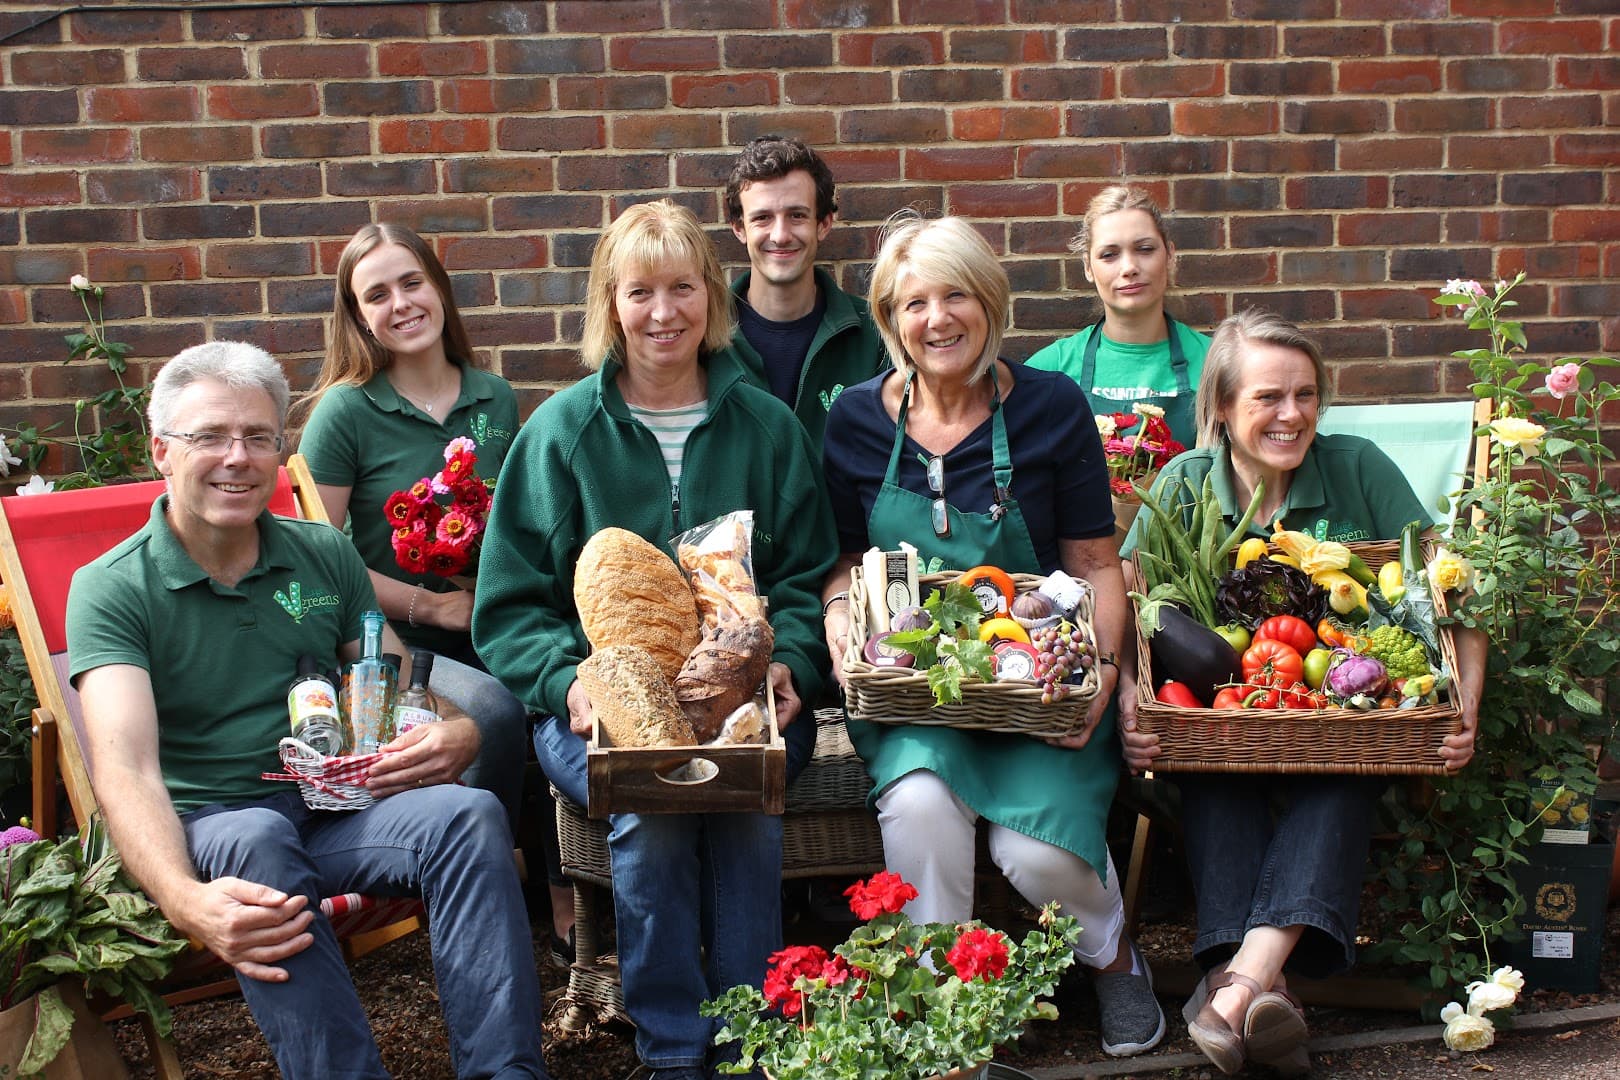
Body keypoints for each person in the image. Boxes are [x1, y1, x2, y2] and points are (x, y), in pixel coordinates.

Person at [66, 341, 546, 1080]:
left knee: (469, 816)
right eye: (211, 437)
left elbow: (392, 684)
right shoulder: (111, 588)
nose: (239, 457)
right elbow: (125, 767)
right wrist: (185, 900)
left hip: (337, 806)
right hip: (218, 824)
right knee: (259, 836)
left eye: (259, 437)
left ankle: (506, 1073)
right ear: (161, 451)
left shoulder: (324, 553)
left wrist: (457, 727)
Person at [472, 200, 836, 1080]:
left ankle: (750, 1043)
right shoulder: (559, 435)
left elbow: (807, 576)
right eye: (640, 292)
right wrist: (568, 685)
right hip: (596, 704)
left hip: (748, 694)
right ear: (610, 303)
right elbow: (509, 608)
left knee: (746, 805)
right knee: (656, 809)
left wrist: (787, 664)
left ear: (712, 298)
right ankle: (675, 1048)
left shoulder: (766, 428)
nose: (663, 312)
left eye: (682, 288)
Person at [819, 212, 1166, 1058]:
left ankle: (1116, 959)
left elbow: (1094, 562)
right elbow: (841, 564)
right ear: (889, 319)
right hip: (916, 694)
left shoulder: (1051, 407)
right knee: (921, 812)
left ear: (991, 303)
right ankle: (948, 1021)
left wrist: (1106, 671)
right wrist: (838, 620)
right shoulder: (857, 421)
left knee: (1037, 852)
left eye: (956, 296)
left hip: (1039, 682)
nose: (936, 320)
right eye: (913, 304)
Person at [1117, 309, 1486, 1076]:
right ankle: (1269, 994)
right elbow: (1126, 600)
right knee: (1219, 767)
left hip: (1341, 721)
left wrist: (1465, 709)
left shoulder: (1359, 467)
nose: (1292, 415)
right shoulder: (1184, 484)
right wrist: (1129, 699)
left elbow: (1459, 599)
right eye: (1267, 398)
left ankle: (1236, 986)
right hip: (1220, 725)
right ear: (1221, 408)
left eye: (1306, 395)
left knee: (1344, 765)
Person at [296, 223, 574, 957]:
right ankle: (480, 904)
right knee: (489, 707)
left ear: (439, 289)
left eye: (411, 283)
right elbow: (320, 559)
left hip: (490, 622)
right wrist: (433, 605)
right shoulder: (344, 413)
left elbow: (514, 528)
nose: (400, 304)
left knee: (559, 692)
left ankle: (567, 887)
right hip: (387, 642)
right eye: (376, 294)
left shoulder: (492, 398)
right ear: (357, 317)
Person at [719, 134, 886, 455]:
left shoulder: (875, 335)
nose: (780, 236)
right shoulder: (704, 337)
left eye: (796, 215)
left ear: (823, 223)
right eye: (762, 218)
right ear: (739, 228)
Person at [1026, 184, 1210, 448]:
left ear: (1170, 255)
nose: (1129, 268)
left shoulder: (1214, 362)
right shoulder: (1049, 369)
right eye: (1109, 255)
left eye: (1145, 249)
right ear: (1088, 267)